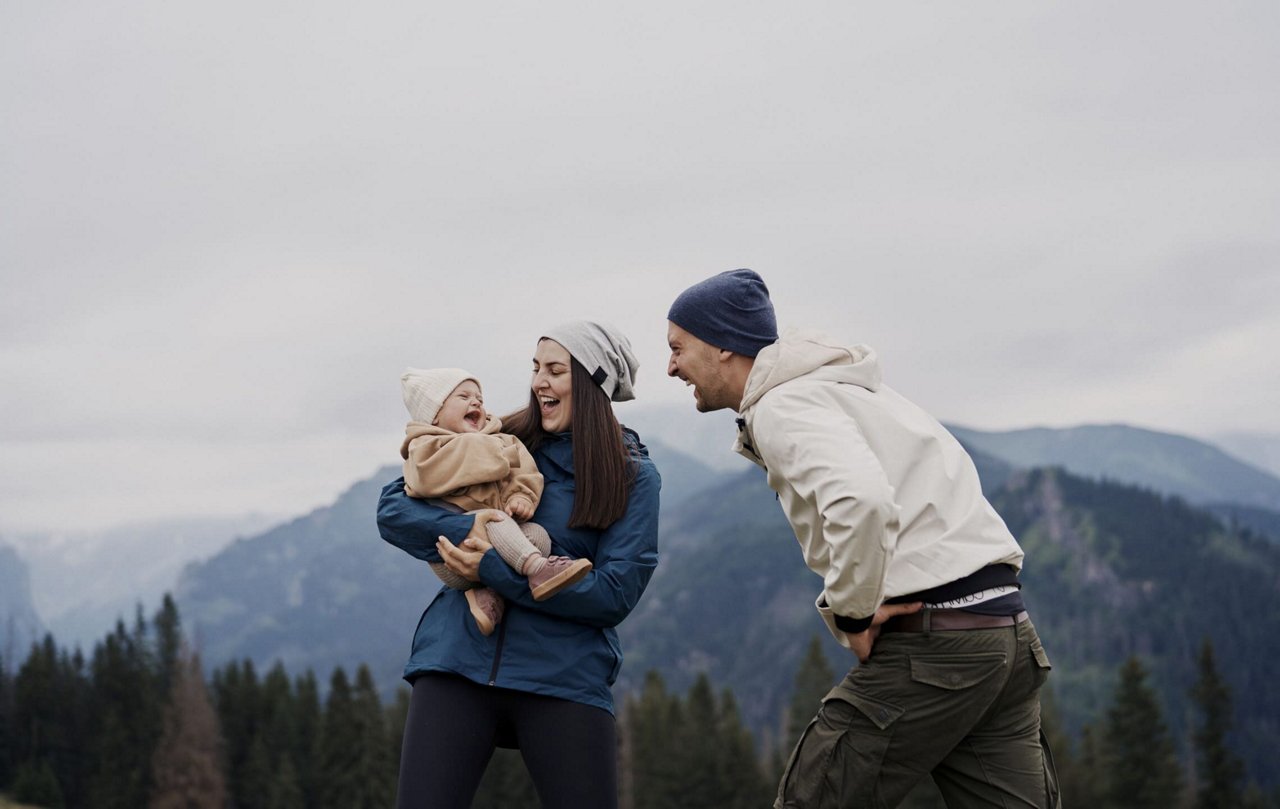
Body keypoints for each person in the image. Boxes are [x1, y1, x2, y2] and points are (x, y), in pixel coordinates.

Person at [666, 269, 1059, 809]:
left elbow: (862, 500)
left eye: (678, 348)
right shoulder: (851, 391)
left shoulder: (782, 404)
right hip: (1006, 636)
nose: (670, 366)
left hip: (936, 644)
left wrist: (851, 612)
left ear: (723, 347)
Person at [378, 320, 660, 809]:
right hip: (455, 662)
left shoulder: (632, 475)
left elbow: (614, 594)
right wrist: (473, 530)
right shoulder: (503, 438)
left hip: (563, 676)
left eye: (555, 370)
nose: (538, 383)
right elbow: (394, 509)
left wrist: (495, 569)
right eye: (535, 368)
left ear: (593, 386)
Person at [398, 367, 595, 636]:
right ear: (434, 414)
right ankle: (538, 570)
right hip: (452, 553)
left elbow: (525, 473)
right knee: (495, 518)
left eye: (479, 397)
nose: (476, 402)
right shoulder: (424, 447)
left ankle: (487, 594)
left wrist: (521, 497)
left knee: (538, 536)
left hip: (497, 545)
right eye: (463, 396)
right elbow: (425, 478)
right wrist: (492, 450)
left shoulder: (501, 439)